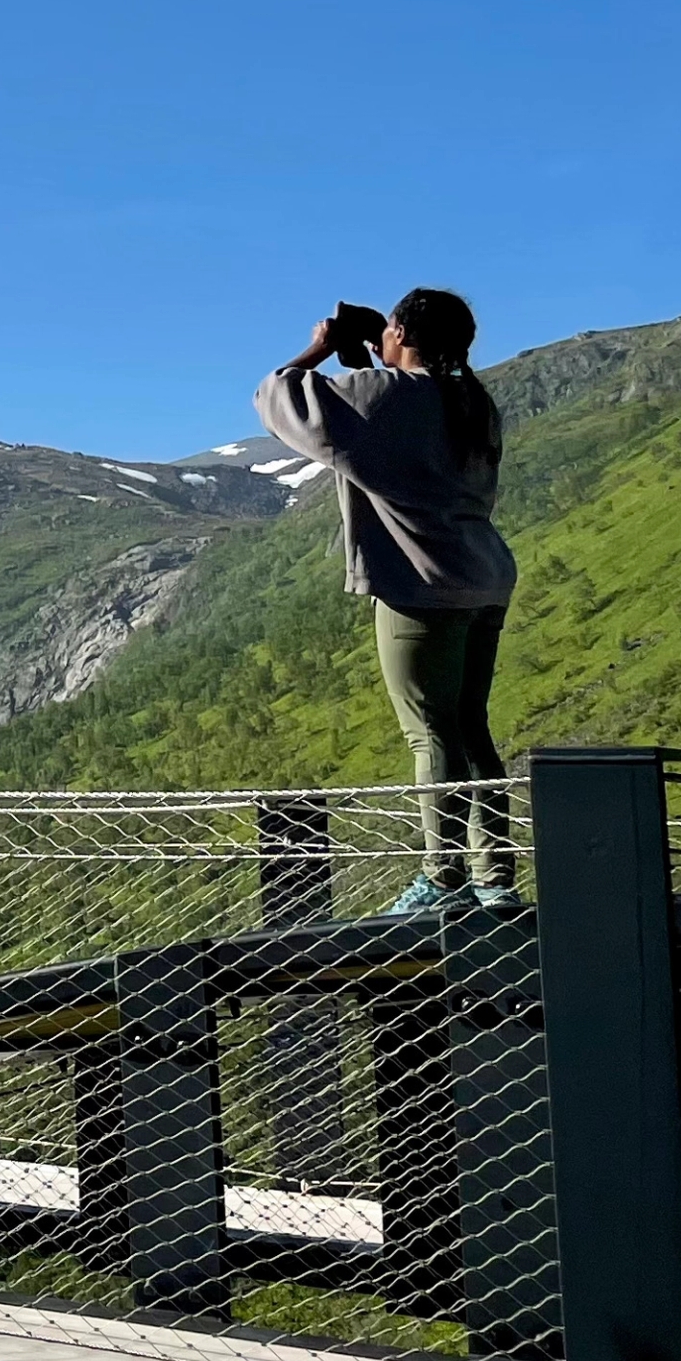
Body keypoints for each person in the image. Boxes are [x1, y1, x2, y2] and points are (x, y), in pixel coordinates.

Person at [255, 288, 518, 914]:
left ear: (399, 331)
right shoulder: (472, 400)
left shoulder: (384, 394)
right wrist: (382, 357)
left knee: (430, 735)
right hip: (484, 576)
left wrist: (319, 348)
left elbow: (279, 398)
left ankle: (442, 881)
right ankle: (494, 881)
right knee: (470, 728)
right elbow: (399, 423)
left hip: (419, 582)